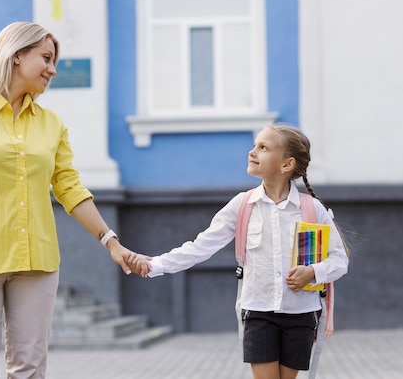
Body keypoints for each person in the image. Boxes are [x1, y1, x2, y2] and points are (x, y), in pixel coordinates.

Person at [0, 21, 138, 379]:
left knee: (30, 371)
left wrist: (110, 241)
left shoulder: (52, 124)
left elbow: (70, 188)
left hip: (36, 261)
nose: (53, 70)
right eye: (47, 58)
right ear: (17, 55)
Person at [132, 123, 349, 379]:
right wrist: (155, 265)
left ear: (286, 164)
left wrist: (312, 272)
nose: (252, 152)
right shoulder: (243, 205)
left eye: (263, 147)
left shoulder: (312, 209)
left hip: (300, 315)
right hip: (258, 313)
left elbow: (339, 260)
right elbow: (201, 246)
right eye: (254, 145)